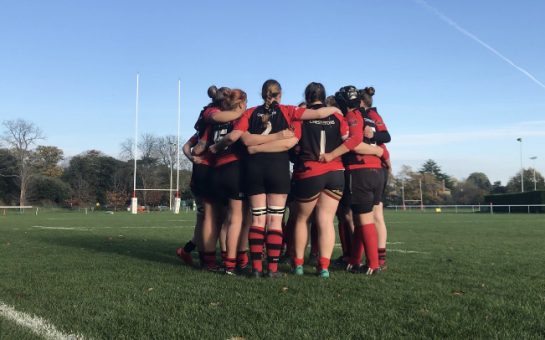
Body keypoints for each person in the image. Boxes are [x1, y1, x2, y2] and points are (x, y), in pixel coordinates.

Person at [212, 79, 339, 277]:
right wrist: (335, 111)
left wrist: (256, 148)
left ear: (262, 94)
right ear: (280, 94)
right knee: (275, 220)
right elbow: (315, 117)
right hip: (278, 169)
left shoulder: (250, 112)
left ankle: (255, 269)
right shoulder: (289, 111)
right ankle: (271, 269)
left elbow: (244, 139)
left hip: (253, 169)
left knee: (257, 220)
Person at [290, 82, 360, 278]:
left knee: (302, 220)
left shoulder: (301, 115)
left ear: (307, 96)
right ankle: (324, 268)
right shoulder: (338, 115)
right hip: (335, 172)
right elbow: (349, 140)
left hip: (310, 171)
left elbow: (293, 144)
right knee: (326, 221)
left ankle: (298, 265)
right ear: (324, 95)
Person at [320, 86, 385, 275]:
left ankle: (373, 264)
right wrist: (381, 154)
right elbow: (383, 142)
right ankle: (355, 259)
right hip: (376, 171)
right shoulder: (370, 116)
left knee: (364, 220)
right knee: (360, 217)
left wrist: (331, 154)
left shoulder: (351, 116)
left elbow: (355, 141)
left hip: (360, 171)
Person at [359, 86, 391, 269]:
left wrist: (373, 135)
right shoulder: (371, 115)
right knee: (373, 215)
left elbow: (386, 136)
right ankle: (376, 258)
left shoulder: (371, 115)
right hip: (376, 166)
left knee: (373, 215)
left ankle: (377, 259)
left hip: (372, 166)